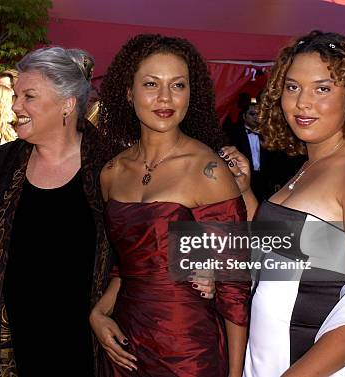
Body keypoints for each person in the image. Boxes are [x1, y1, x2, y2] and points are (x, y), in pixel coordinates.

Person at [220, 30, 345, 376]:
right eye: (292, 87)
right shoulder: (309, 165)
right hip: (264, 361)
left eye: (322, 89)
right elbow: (279, 254)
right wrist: (244, 193)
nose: (302, 102)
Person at [91, 34, 251, 377]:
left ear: (191, 94)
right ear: (128, 92)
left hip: (188, 349)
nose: (165, 98)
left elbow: (235, 288)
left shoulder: (208, 171)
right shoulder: (111, 172)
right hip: (125, 343)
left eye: (178, 85)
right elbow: (131, 265)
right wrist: (97, 315)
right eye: (151, 84)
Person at [0, 47, 113, 376]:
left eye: (29, 96)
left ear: (67, 104)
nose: (15, 106)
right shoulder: (0, 163)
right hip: (15, 344)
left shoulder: (111, 165)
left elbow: (140, 249)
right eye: (15, 96)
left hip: (87, 343)